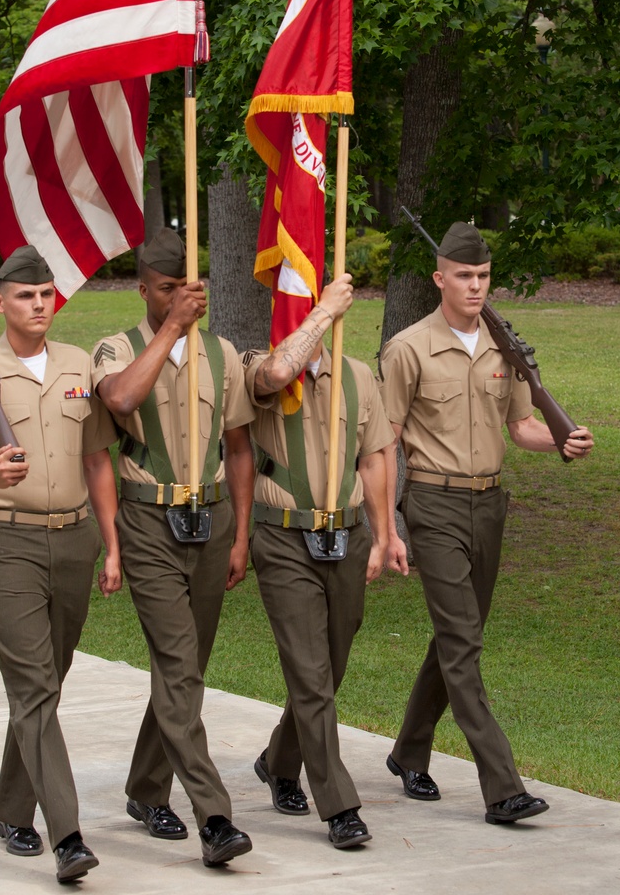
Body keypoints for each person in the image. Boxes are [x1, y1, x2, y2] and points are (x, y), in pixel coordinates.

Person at [379, 222, 594, 825]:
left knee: (457, 637)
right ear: (439, 279)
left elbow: (521, 427)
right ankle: (502, 787)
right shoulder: (408, 349)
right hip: (433, 502)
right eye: (464, 276)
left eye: (483, 277)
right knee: (464, 644)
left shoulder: (505, 349)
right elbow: (384, 439)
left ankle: (408, 752)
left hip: (489, 505)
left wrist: (562, 442)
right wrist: (386, 526)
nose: (475, 287)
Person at [0, 245, 120, 885]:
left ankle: (11, 807)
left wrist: (110, 544)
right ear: (0, 303)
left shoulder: (75, 366)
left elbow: (97, 460)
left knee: (46, 683)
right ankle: (67, 835)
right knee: (34, 685)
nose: (38, 305)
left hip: (73, 541)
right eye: (25, 296)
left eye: (46, 295)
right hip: (4, 543)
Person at [92, 229, 256, 869]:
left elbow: (239, 447)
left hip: (211, 520)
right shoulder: (118, 348)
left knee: (183, 672)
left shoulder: (223, 354)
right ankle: (214, 817)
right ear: (145, 290)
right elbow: (123, 398)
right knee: (179, 665)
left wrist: (241, 533)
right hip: (149, 519)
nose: (187, 297)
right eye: (170, 288)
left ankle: (144, 789)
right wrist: (171, 330)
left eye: (194, 287)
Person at [244, 272, 403, 850]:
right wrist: (325, 311)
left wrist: (386, 535)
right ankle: (338, 805)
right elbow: (280, 372)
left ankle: (279, 761)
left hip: (349, 536)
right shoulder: (256, 369)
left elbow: (376, 457)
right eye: (303, 304)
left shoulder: (358, 377)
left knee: (329, 670)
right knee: (311, 675)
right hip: (285, 541)